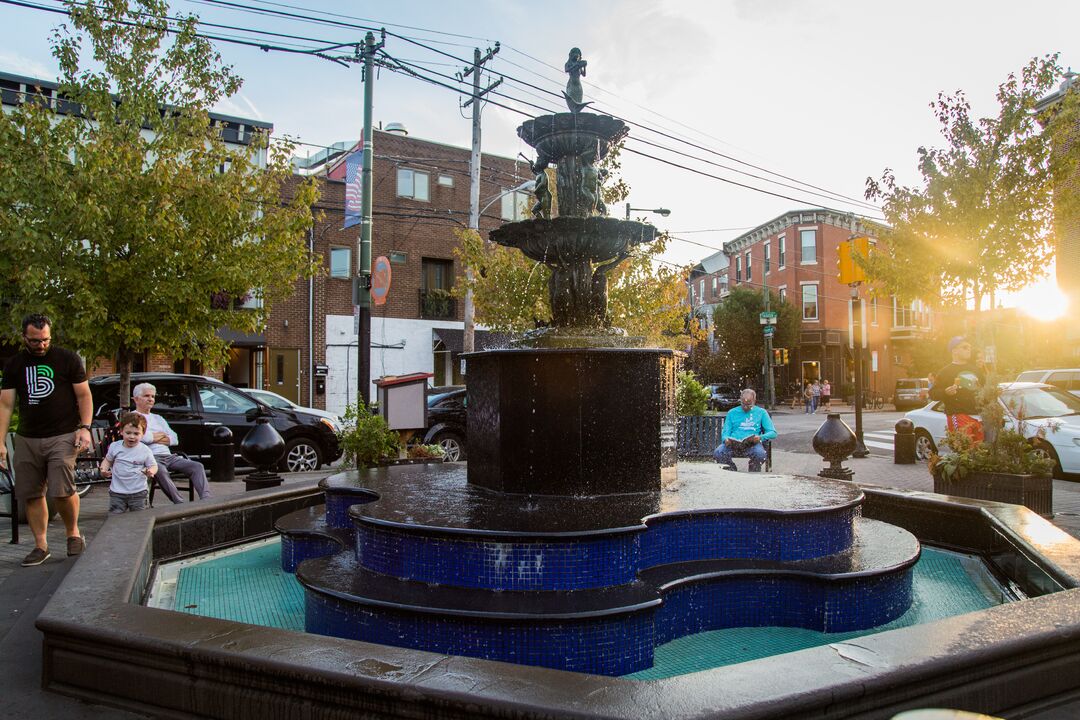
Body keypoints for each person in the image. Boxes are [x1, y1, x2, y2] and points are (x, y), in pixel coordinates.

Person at [0, 313, 91, 566]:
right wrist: (0, 443)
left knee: (61, 489)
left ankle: (73, 533)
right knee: (30, 493)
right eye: (35, 341)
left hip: (63, 434)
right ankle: (41, 546)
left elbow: (84, 396)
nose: (41, 345)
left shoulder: (67, 359)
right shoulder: (15, 365)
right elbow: (6, 405)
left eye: (45, 340)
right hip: (28, 437)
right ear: (24, 337)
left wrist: (85, 428)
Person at [131, 382, 210, 502]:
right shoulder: (133, 417)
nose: (151, 399)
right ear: (136, 399)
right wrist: (161, 437)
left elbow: (174, 439)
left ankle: (207, 500)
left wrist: (154, 437)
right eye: (147, 396)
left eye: (152, 396)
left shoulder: (158, 418)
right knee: (160, 470)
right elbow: (142, 438)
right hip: (150, 458)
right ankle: (180, 503)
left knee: (197, 466)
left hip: (169, 456)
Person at [929, 336, 986, 442]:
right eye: (964, 347)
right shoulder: (945, 372)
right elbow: (932, 393)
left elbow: (985, 389)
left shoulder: (975, 369)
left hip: (978, 416)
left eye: (969, 347)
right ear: (954, 351)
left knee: (979, 453)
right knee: (964, 450)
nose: (968, 350)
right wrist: (945, 392)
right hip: (959, 415)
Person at [100, 412, 157, 514]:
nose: (132, 437)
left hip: (138, 492)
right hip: (117, 492)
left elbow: (153, 465)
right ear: (121, 431)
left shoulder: (145, 450)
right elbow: (108, 460)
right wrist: (103, 469)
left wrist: (151, 471)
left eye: (136, 433)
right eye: (128, 433)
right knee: (115, 518)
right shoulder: (115, 446)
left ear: (143, 434)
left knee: (139, 519)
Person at [713, 389, 777, 472]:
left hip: (752, 444)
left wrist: (760, 437)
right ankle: (731, 470)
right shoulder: (732, 412)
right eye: (743, 404)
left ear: (754, 400)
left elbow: (773, 433)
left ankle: (753, 472)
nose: (746, 407)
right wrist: (726, 439)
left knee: (760, 455)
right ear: (740, 400)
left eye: (749, 404)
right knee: (718, 452)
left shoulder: (761, 412)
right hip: (733, 444)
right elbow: (725, 433)